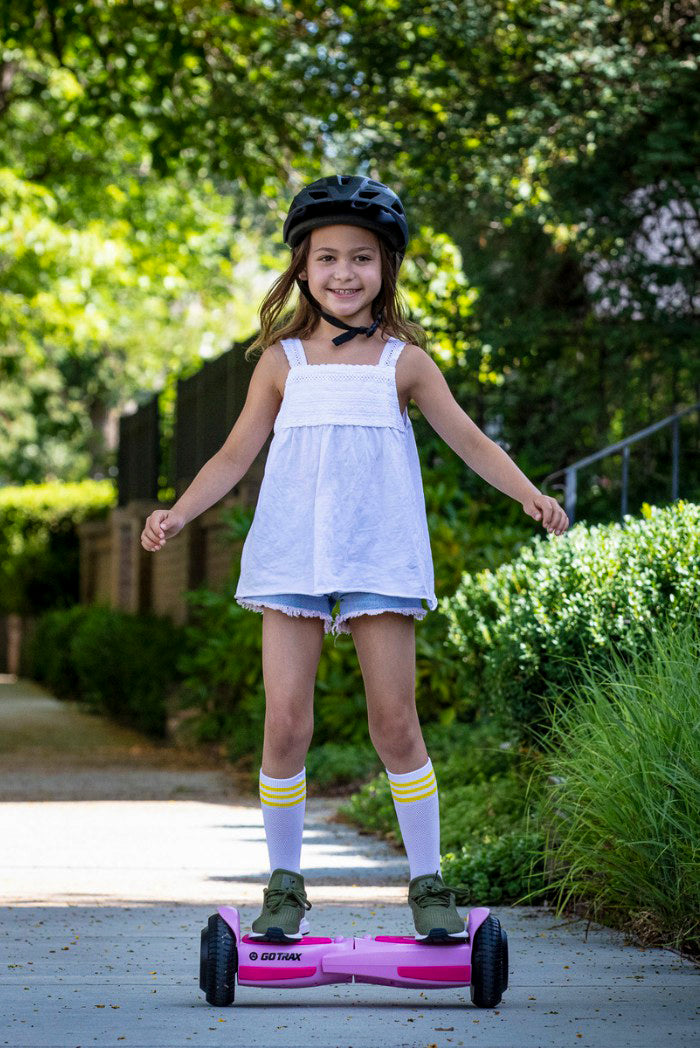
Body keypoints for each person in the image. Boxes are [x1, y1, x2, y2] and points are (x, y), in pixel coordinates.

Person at [141, 174, 569, 944]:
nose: (344, 273)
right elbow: (236, 453)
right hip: (289, 558)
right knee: (286, 725)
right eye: (328, 257)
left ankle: (428, 883)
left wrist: (528, 495)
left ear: (387, 268)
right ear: (302, 267)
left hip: (379, 554)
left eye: (362, 258)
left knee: (394, 723)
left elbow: (469, 439)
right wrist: (178, 513)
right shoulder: (281, 362)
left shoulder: (404, 362)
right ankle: (283, 886)